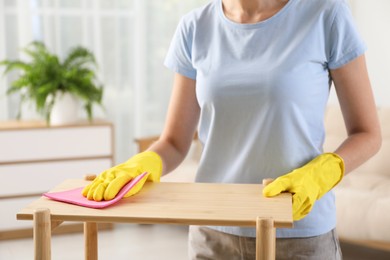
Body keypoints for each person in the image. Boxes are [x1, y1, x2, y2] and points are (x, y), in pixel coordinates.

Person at [82, 0, 382, 259]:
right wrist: (141, 164)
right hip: (212, 234)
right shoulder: (195, 27)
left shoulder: (325, 14)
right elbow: (174, 142)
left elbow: (367, 133)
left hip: (298, 235)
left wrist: (322, 173)